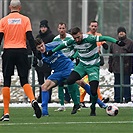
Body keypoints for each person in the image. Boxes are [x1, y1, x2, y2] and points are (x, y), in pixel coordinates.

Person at [47, 27, 125, 116]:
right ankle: (76, 104)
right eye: (75, 38)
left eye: (78, 37)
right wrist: (51, 51)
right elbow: (62, 45)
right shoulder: (72, 41)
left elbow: (105, 38)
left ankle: (93, 107)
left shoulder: (89, 38)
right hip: (82, 66)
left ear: (81, 34)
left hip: (93, 66)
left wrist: (117, 42)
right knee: (70, 80)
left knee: (93, 91)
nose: (77, 39)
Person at [0, 0, 42, 121]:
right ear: (20, 8)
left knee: (7, 81)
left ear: (9, 7)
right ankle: (33, 100)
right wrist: (36, 53)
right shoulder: (25, 20)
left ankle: (6, 113)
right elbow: (30, 37)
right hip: (22, 51)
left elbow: (0, 38)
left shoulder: (3, 20)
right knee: (24, 79)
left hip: (8, 51)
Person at [35, 38, 81, 116]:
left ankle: (100, 103)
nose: (41, 48)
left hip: (67, 67)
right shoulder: (40, 54)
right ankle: (44, 112)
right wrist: (38, 60)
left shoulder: (52, 45)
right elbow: (41, 65)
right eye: (39, 48)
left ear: (44, 43)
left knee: (80, 82)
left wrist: (74, 55)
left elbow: (66, 43)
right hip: (58, 72)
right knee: (44, 86)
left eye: (42, 46)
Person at [79, 20, 110, 107]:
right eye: (92, 26)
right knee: (85, 80)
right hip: (86, 61)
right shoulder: (86, 36)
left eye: (95, 26)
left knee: (94, 81)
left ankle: (98, 98)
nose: (94, 27)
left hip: (95, 61)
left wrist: (105, 45)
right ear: (89, 26)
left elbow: (103, 42)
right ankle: (81, 99)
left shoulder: (99, 35)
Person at [53, 22, 79, 111]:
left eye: (63, 28)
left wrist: (73, 57)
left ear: (65, 28)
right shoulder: (55, 39)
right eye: (60, 28)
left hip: (71, 63)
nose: (61, 30)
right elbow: (54, 51)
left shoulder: (70, 38)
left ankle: (77, 103)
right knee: (60, 84)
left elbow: (77, 49)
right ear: (58, 29)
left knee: (74, 83)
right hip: (60, 65)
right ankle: (62, 105)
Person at [108, 27, 133, 103]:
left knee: (126, 83)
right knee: (117, 84)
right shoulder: (114, 43)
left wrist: (132, 67)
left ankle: (127, 99)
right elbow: (111, 55)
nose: (121, 33)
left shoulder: (130, 43)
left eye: (123, 32)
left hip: (126, 67)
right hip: (116, 67)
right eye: (120, 32)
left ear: (125, 33)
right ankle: (117, 99)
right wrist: (110, 66)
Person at [33, 19, 55, 103]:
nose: (43, 29)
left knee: (48, 81)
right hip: (40, 63)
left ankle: (48, 97)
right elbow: (35, 50)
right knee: (40, 82)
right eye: (42, 27)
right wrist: (35, 61)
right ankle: (41, 96)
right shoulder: (38, 37)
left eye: (44, 27)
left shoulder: (51, 37)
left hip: (47, 62)